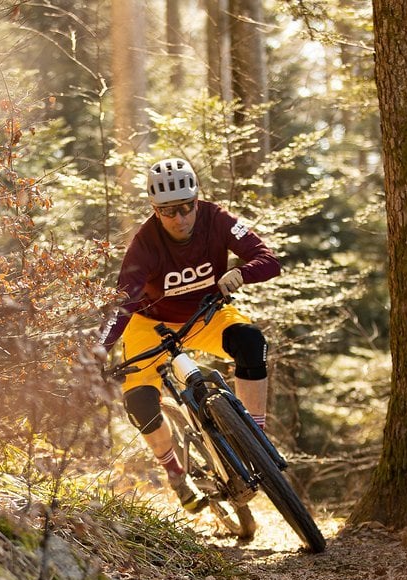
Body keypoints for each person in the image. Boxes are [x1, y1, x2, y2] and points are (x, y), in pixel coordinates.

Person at [99, 157, 281, 514]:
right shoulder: (145, 243)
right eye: (169, 212)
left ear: (197, 200)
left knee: (251, 343)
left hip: (207, 313)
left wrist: (242, 274)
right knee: (140, 403)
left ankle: (255, 439)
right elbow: (122, 305)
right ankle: (176, 474)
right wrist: (96, 352)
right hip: (149, 325)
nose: (180, 218)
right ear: (155, 210)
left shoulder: (217, 219)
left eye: (187, 207)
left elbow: (268, 258)